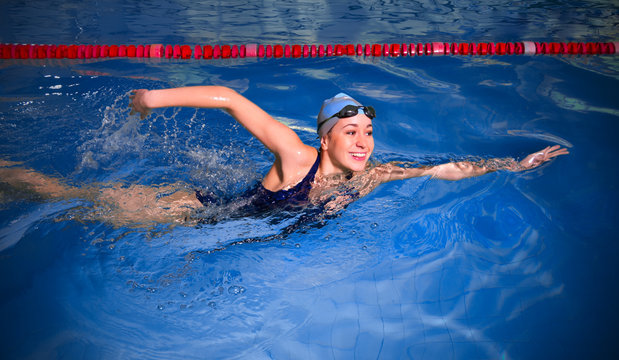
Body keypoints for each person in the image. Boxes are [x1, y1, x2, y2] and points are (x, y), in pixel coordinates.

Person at [0, 85, 568, 225]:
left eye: (368, 130)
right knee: (70, 200)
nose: (363, 141)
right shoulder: (298, 157)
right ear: (324, 139)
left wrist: (511, 166)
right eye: (350, 132)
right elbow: (229, 101)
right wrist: (151, 99)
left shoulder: (371, 178)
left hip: (229, 227)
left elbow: (443, 168)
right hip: (190, 212)